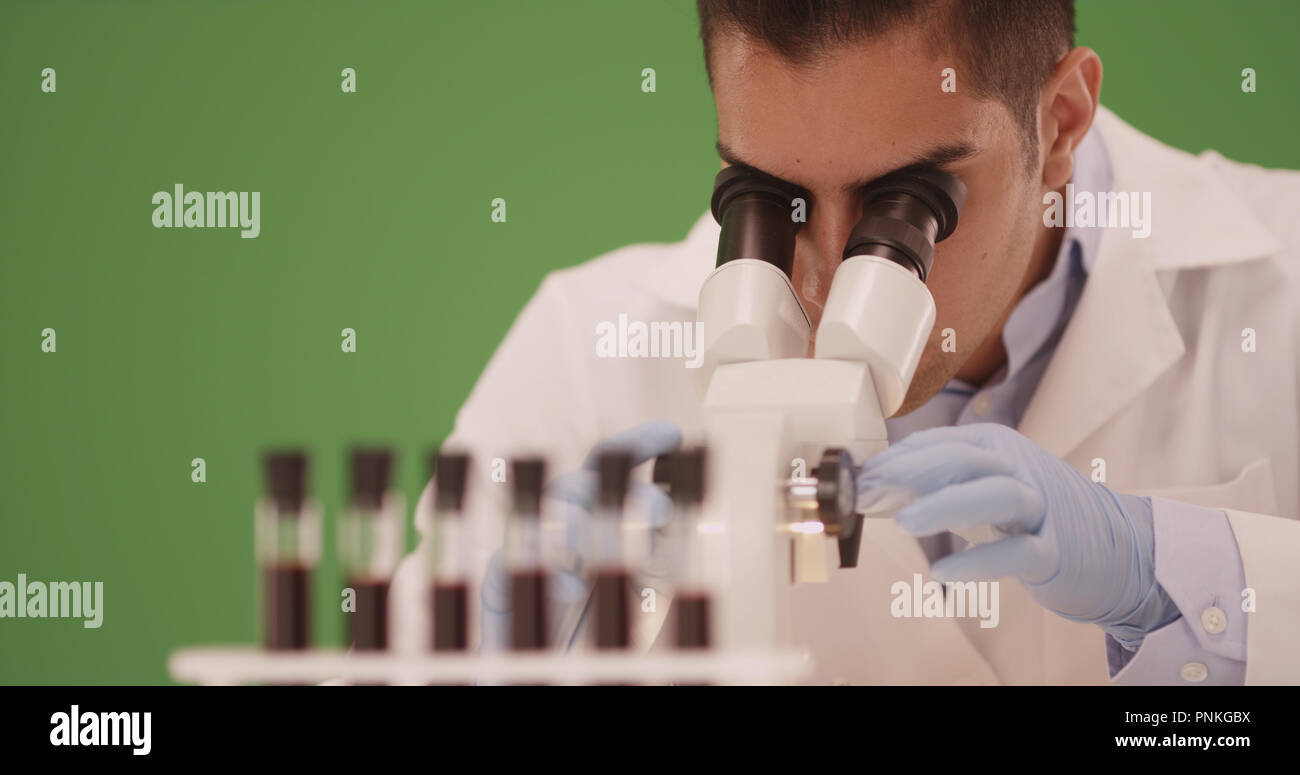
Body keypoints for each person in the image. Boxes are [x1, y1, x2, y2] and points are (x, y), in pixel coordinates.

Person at [390, 0, 1300, 684]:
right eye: (768, 195)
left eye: (910, 203)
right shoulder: (585, 352)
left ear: (1059, 120)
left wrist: (1191, 580)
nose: (826, 279)